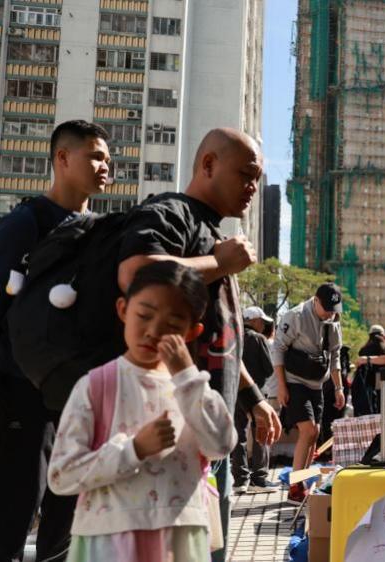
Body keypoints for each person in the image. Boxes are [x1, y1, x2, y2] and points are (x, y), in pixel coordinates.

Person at [116, 128, 281, 561]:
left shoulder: (213, 234)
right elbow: (136, 273)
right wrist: (218, 262)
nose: (251, 188)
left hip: (211, 433)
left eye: (257, 179)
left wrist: (253, 398)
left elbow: (222, 337)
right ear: (207, 164)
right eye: (245, 174)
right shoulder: (171, 214)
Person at [0, 120, 111, 561]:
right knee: (16, 507)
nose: (106, 167)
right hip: (21, 391)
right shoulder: (24, 223)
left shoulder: (97, 229)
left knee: (67, 515)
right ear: (62, 159)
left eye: (108, 158)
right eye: (96, 156)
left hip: (77, 399)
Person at [48, 261, 236, 561]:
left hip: (179, 536)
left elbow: (221, 445)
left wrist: (186, 374)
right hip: (108, 537)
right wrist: (133, 449)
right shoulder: (96, 386)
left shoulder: (191, 386)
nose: (153, 332)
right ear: (123, 309)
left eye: (173, 325)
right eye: (144, 316)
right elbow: (60, 475)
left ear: (192, 331)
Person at [271, 283, 345, 502]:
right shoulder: (295, 316)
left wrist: (339, 387)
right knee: (308, 429)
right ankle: (295, 486)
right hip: (294, 381)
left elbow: (335, 356)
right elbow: (278, 349)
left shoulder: (333, 321)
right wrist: (282, 386)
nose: (330, 313)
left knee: (315, 433)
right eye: (327, 308)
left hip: (317, 384)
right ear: (315, 301)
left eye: (334, 308)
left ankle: (301, 482)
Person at [231, 306, 278, 494]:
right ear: (255, 321)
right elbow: (268, 368)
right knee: (261, 433)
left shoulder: (233, 335)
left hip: (236, 393)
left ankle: (240, 480)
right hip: (258, 394)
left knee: (238, 434)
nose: (263, 325)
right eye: (262, 321)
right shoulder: (259, 339)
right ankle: (259, 480)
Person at [350, 326, 385, 416]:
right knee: (383, 401)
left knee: (371, 400)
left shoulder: (364, 348)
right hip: (383, 376)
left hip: (368, 378)